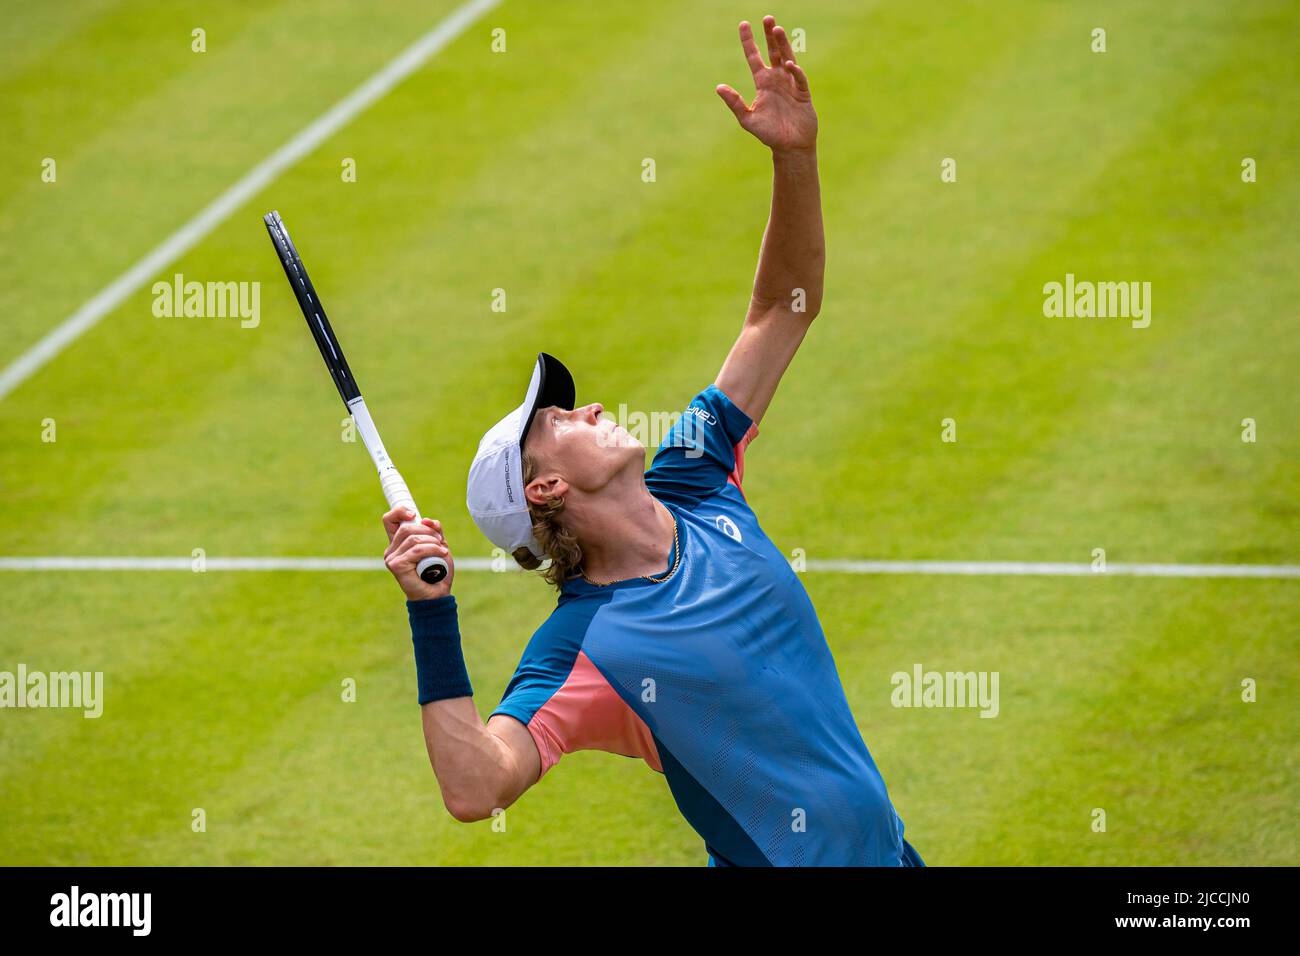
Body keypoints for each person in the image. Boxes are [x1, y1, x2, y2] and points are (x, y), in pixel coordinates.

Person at [382, 15, 922, 867]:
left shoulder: (695, 477)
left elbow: (781, 310)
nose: (589, 407)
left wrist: (794, 157)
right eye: (558, 421)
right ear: (546, 490)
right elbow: (476, 788)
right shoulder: (584, 647)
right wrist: (431, 615)